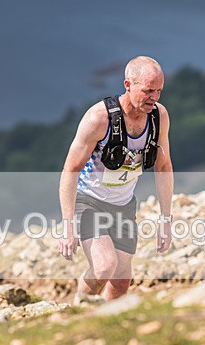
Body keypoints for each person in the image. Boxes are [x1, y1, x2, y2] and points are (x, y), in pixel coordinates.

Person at [58, 56, 174, 302]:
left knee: (121, 283)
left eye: (159, 91)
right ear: (128, 85)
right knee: (103, 267)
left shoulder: (159, 117)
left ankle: (105, 325)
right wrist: (68, 225)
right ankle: (78, 314)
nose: (154, 97)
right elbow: (70, 169)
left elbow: (163, 166)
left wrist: (166, 219)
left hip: (123, 205)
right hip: (89, 201)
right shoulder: (99, 119)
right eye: (148, 91)